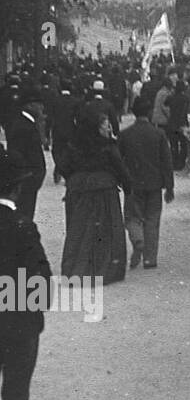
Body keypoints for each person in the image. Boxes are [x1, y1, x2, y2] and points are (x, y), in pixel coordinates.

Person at [0, 154, 49, 400]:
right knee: (16, 392)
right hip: (17, 322)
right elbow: (41, 280)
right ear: (16, 188)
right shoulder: (22, 226)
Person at [60, 113, 130, 284]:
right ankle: (102, 268)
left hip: (78, 190)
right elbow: (120, 168)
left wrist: (74, 179)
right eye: (106, 126)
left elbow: (62, 166)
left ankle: (76, 269)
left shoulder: (74, 145)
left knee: (79, 231)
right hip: (103, 192)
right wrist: (127, 187)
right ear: (97, 129)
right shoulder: (107, 146)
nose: (109, 129)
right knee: (104, 231)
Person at [118, 98, 174, 270]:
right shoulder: (159, 134)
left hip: (133, 184)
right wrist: (169, 187)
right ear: (150, 113)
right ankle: (150, 258)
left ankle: (137, 239)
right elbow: (166, 162)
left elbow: (119, 161)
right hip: (154, 183)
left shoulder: (125, 134)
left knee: (131, 217)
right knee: (152, 220)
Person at [1, 85, 47, 221]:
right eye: (39, 104)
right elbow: (17, 156)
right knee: (24, 217)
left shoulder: (26, 124)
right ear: (31, 105)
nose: (42, 108)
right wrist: (31, 179)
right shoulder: (23, 127)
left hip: (27, 181)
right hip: (25, 183)